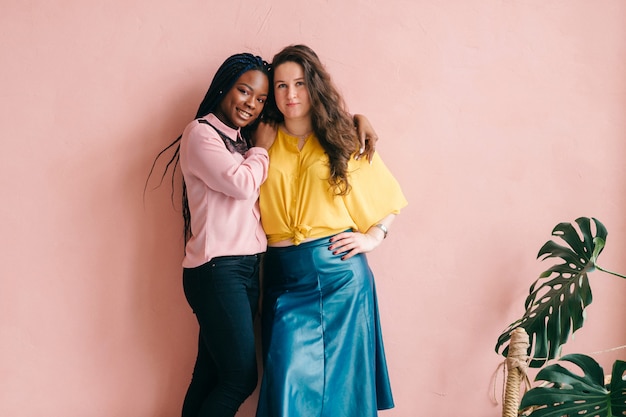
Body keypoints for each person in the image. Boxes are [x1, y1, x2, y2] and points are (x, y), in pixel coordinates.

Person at [145, 51, 380, 417]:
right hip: (217, 270)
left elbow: (305, 117)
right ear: (224, 88)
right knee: (239, 379)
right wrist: (260, 149)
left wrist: (355, 119)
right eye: (243, 92)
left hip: (247, 269)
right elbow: (241, 184)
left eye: (259, 99)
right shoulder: (203, 134)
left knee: (209, 374)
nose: (251, 104)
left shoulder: (241, 137)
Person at [253, 44, 408, 417]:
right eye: (281, 86)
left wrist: (374, 236)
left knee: (343, 398)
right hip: (284, 278)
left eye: (300, 84)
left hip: (342, 280)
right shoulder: (264, 138)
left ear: (314, 86)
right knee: (286, 384)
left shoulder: (344, 138)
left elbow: (390, 201)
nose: (291, 94)